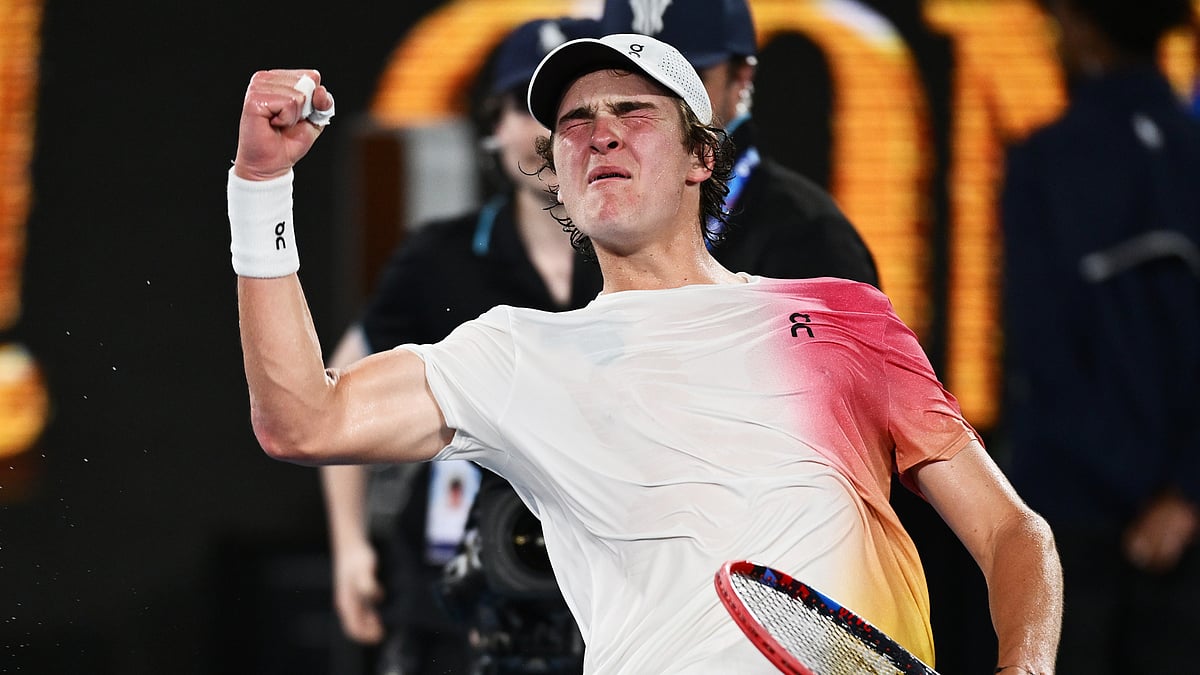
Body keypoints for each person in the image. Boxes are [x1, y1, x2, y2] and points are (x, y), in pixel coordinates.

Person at [228, 33, 1062, 673]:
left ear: (703, 157)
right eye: (575, 124)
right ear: (553, 172)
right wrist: (260, 185)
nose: (600, 136)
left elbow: (1013, 535)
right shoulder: (516, 353)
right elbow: (304, 420)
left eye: (634, 113)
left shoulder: (842, 316)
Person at [317, 17, 604, 675]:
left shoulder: (647, 257)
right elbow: (337, 390)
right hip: (454, 599)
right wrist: (350, 545)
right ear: (493, 127)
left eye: (570, 112)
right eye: (525, 108)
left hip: (610, 595)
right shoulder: (439, 257)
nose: (547, 132)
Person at [1000, 1, 1200, 673]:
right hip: (1181, 536)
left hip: (1072, 526)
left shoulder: (1044, 164)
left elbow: (1044, 360)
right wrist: (1181, 494)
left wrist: (1143, 492)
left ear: (1083, 29)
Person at [599, 0, 880, 288]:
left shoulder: (811, 238)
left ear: (742, 77)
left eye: (686, 79)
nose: (654, 106)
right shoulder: (598, 218)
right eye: (630, 82)